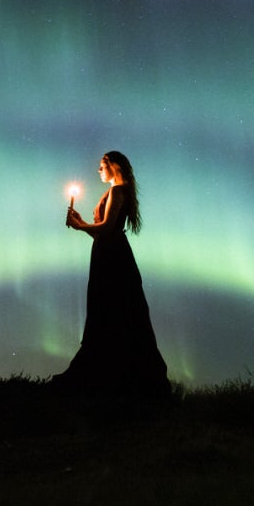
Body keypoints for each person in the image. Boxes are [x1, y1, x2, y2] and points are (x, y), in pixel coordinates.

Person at [52, 150, 170, 399]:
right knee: (115, 310)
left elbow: (106, 228)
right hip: (111, 254)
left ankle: (106, 378)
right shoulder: (118, 189)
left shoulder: (117, 190)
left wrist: (79, 225)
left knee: (108, 309)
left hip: (112, 259)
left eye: (101, 165)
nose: (98, 170)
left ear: (113, 165)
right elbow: (103, 232)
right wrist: (83, 223)